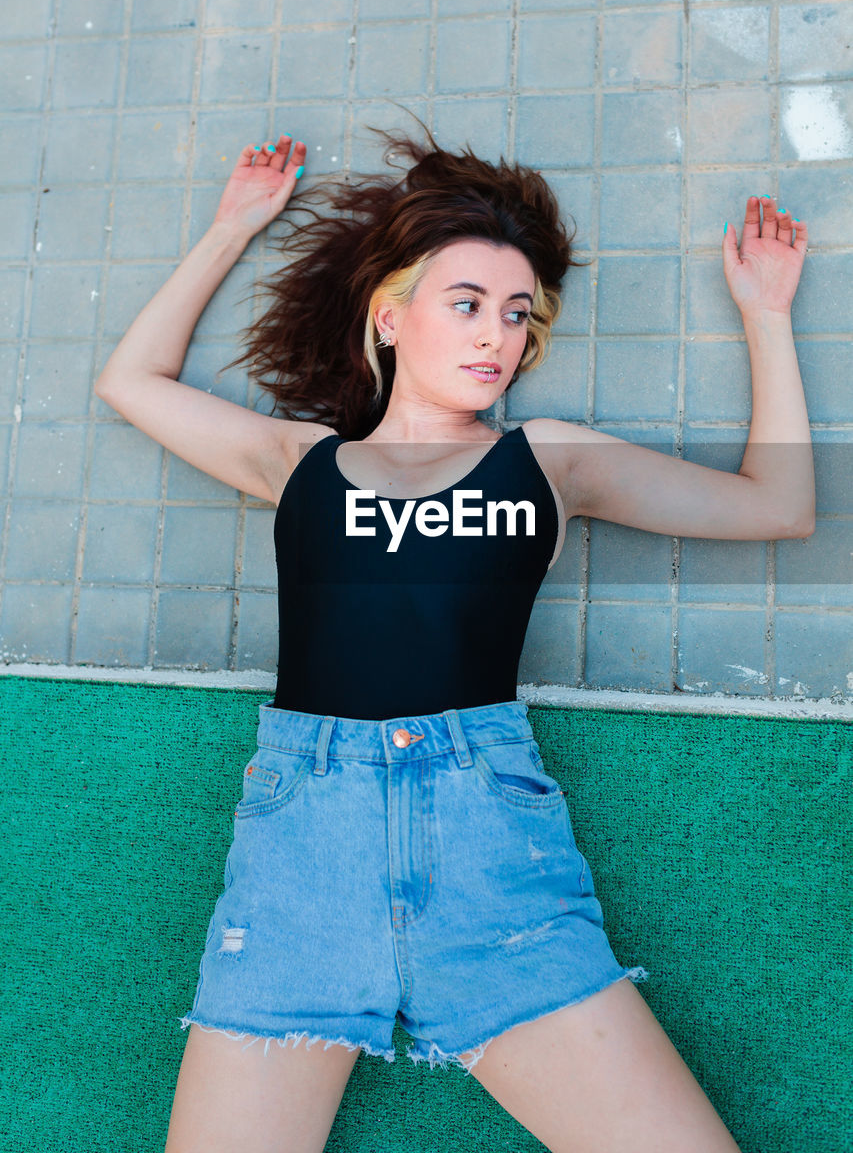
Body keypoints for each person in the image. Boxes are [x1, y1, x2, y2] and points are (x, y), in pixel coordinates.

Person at [95, 128, 813, 1153]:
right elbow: (131, 379)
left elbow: (777, 505)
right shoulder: (296, 459)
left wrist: (765, 316)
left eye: (517, 314)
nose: (497, 336)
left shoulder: (549, 462)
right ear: (390, 316)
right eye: (467, 303)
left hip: (486, 844)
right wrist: (232, 227)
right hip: (305, 853)